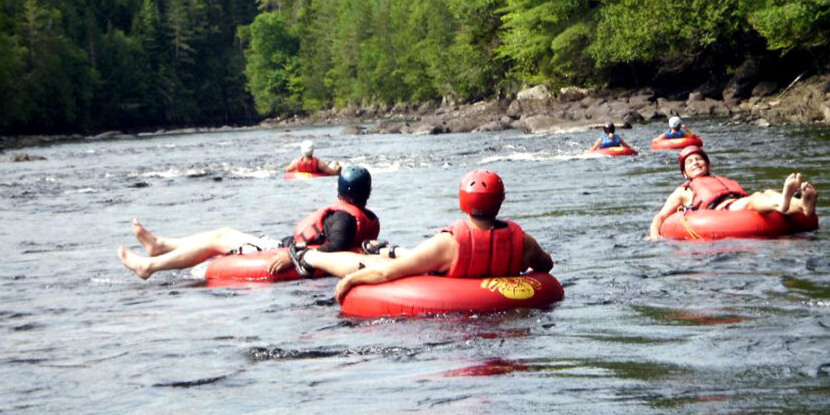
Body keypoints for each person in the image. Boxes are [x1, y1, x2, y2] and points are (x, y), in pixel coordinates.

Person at [286, 169, 555, 303]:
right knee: (412, 258)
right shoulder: (524, 242)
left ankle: (308, 256)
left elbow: (386, 275)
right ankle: (390, 250)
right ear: (501, 200)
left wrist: (350, 281)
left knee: (375, 264)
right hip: (479, 288)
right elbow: (546, 265)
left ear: (463, 201)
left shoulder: (448, 243)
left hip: (443, 275)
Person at [117, 166, 380, 279]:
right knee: (224, 232)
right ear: (365, 193)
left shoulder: (343, 217)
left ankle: (149, 266)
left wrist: (293, 256)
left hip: (280, 252)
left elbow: (336, 248)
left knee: (218, 239)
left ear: (340, 191)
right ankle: (160, 245)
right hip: (283, 247)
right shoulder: (354, 215)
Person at [648, 145, 818, 239]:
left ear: (708, 165)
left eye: (699, 159)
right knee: (756, 198)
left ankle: (802, 205)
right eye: (690, 162)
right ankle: (787, 202)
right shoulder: (683, 190)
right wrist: (654, 235)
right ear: (685, 173)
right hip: (723, 209)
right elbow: (661, 216)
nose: (695, 163)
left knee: (767, 193)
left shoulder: (719, 179)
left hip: (737, 204)